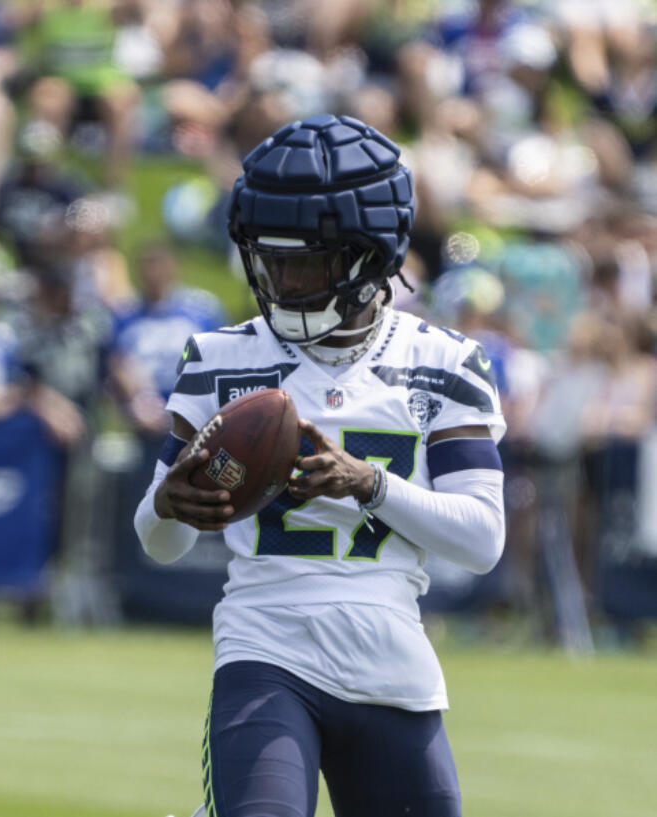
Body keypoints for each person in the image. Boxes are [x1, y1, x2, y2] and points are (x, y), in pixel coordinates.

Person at [134, 114, 506, 817]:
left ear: (370, 256)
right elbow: (159, 542)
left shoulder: (444, 362)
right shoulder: (220, 358)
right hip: (265, 647)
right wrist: (167, 505)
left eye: (306, 261)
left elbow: (483, 539)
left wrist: (368, 482)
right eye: (271, 259)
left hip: (392, 661)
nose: (284, 278)